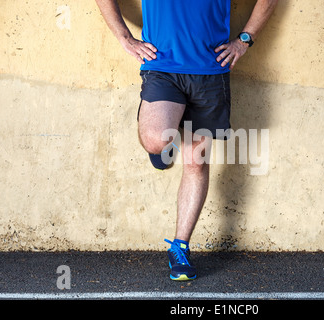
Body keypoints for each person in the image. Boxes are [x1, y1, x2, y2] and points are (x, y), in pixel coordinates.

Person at [95, 0, 278, 281]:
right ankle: (163, 145)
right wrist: (124, 37)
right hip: (162, 65)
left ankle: (180, 246)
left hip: (211, 70)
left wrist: (244, 40)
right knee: (156, 139)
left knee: (196, 161)